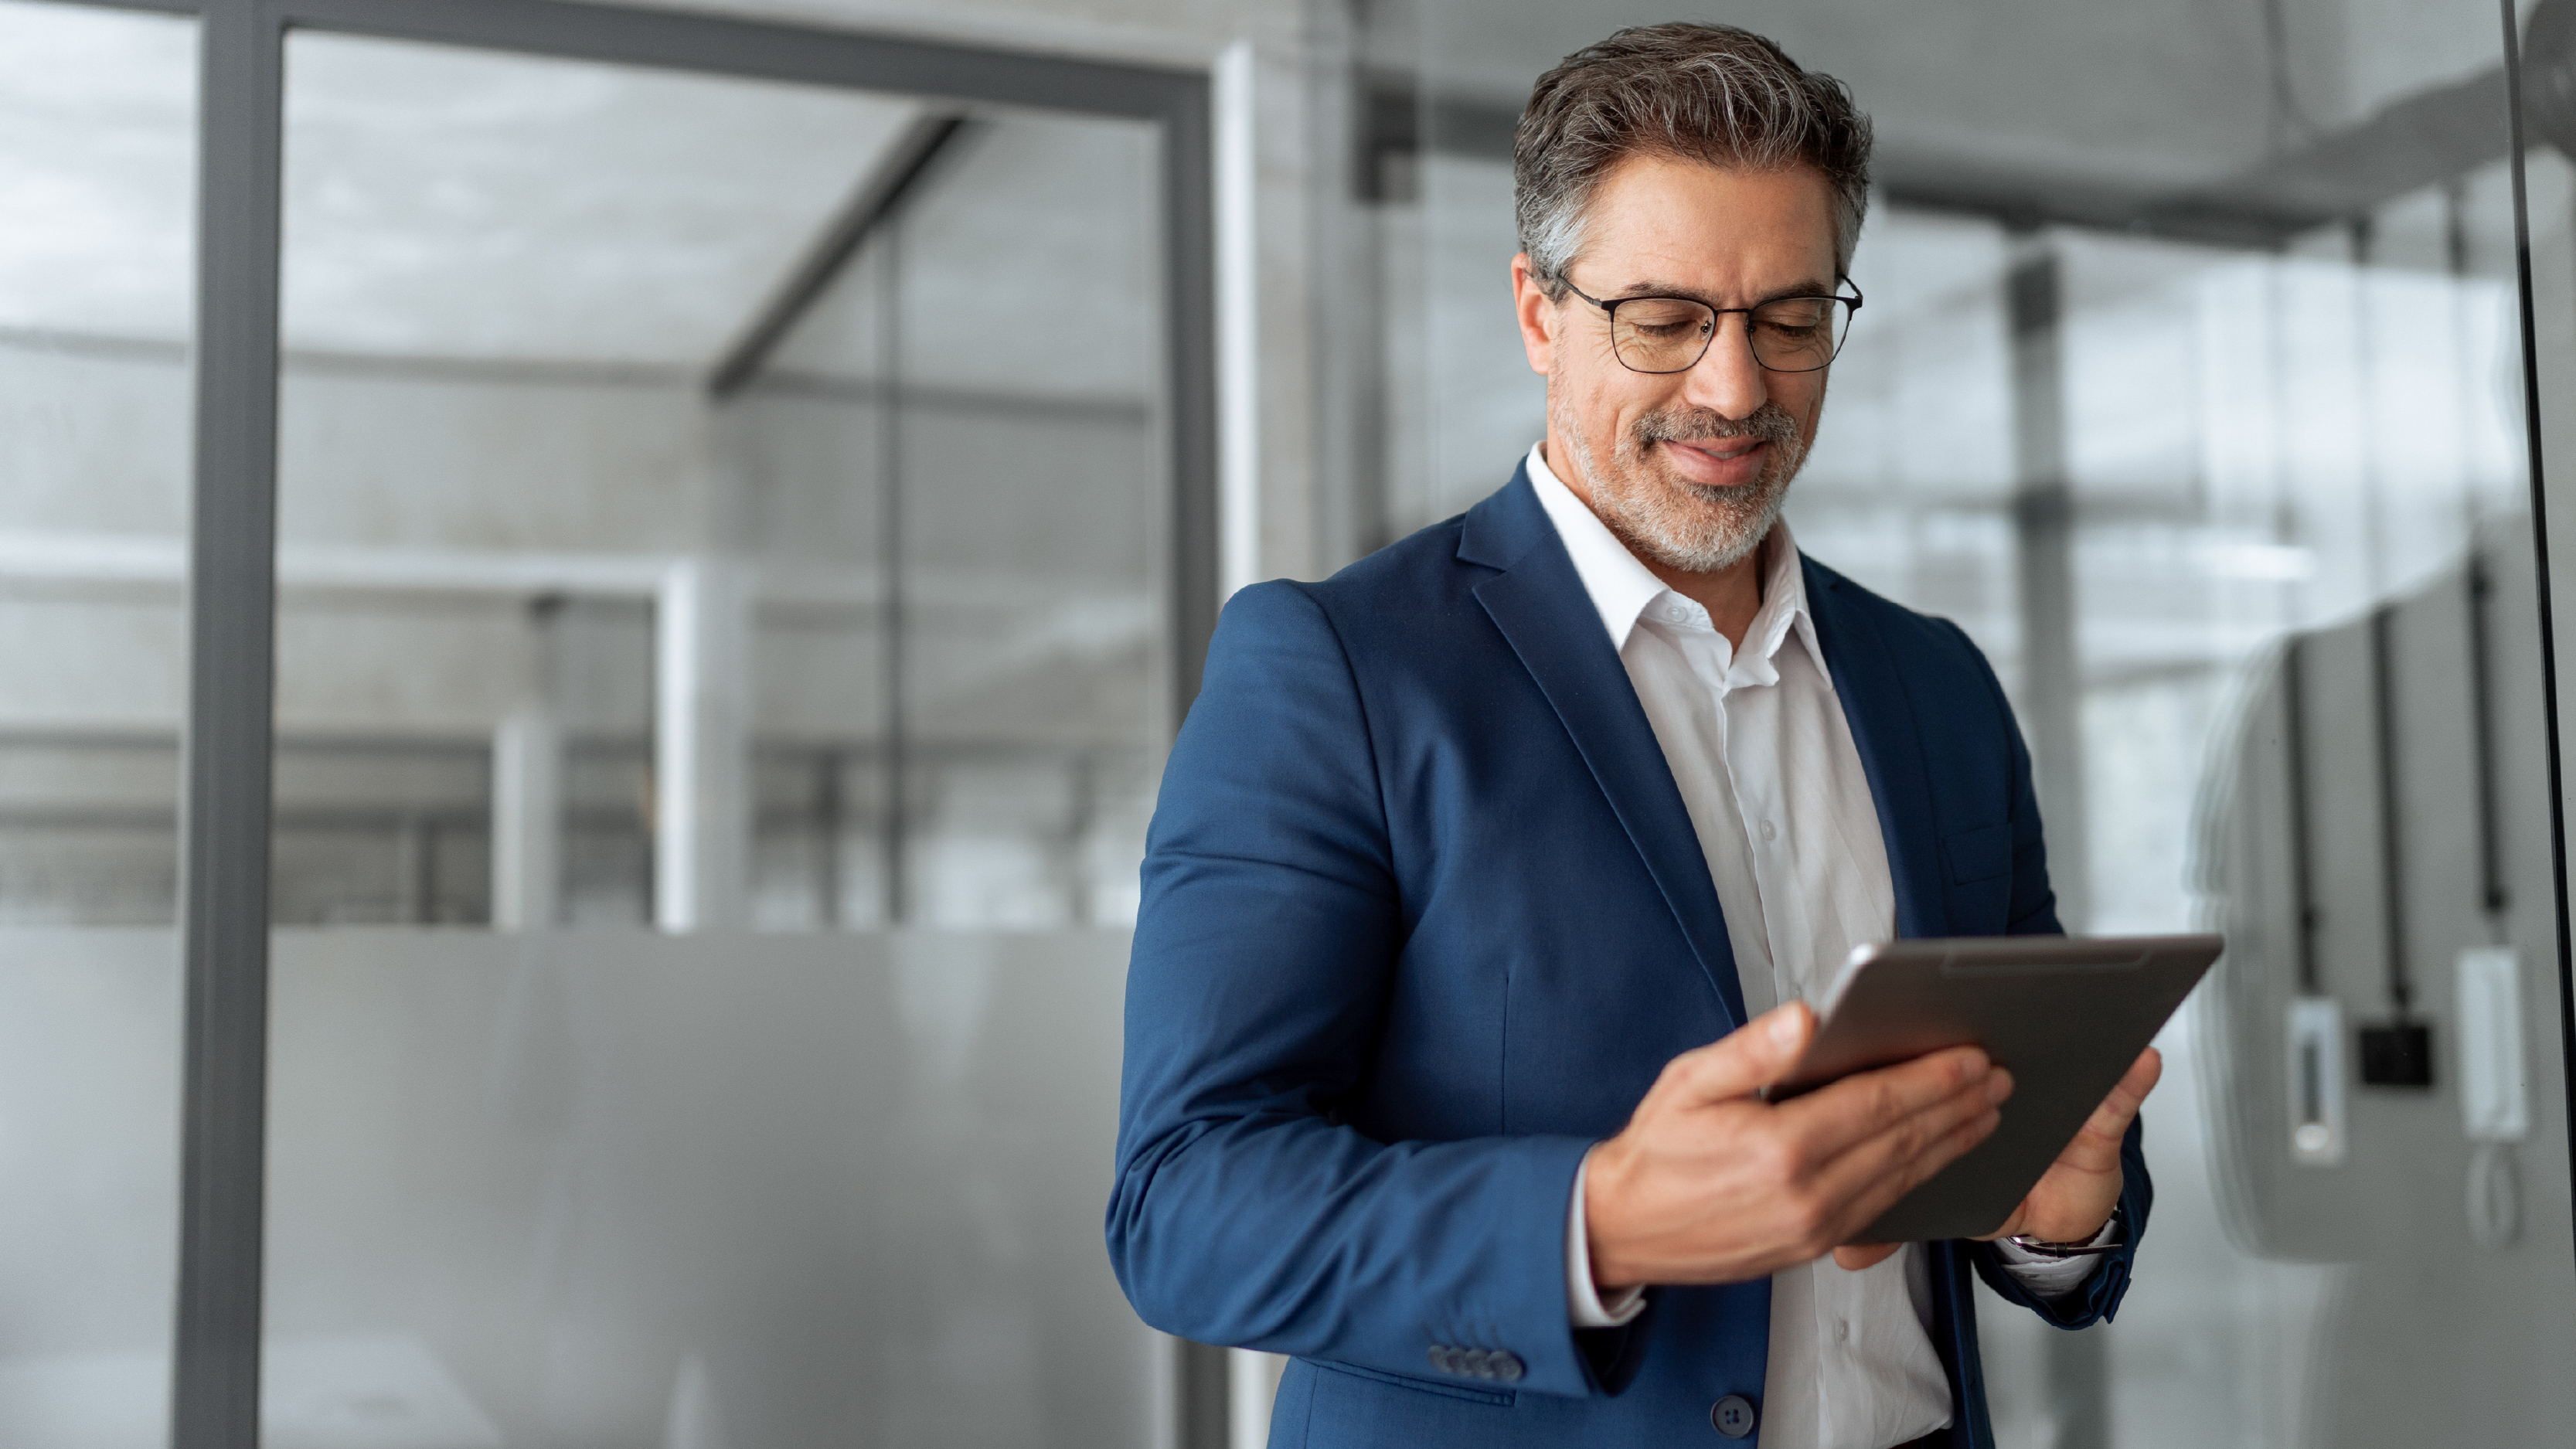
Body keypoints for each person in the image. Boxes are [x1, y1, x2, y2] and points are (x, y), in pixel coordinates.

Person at [1106, 22, 2160, 1449]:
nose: (1735, 390)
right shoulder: (1336, 669)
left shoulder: (1936, 685)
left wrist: (2054, 1210)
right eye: (1662, 319)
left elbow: (2025, 1119)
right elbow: (1182, 1206)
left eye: (1789, 319)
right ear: (1540, 313)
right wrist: (1595, 1220)